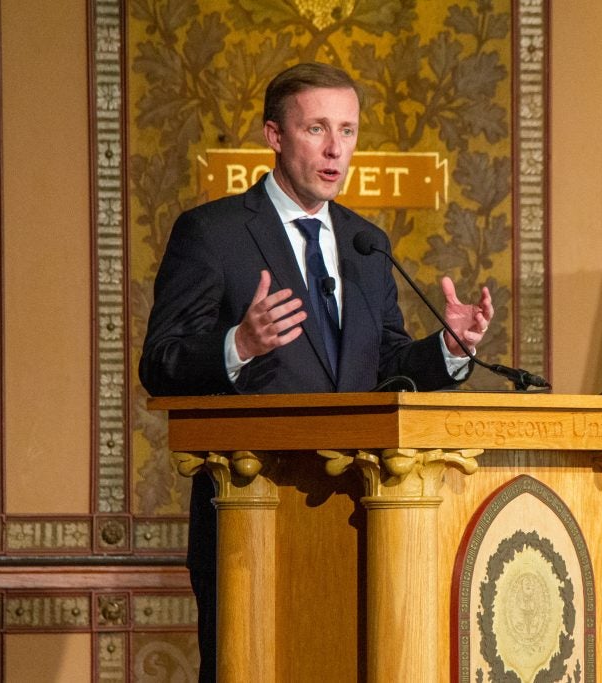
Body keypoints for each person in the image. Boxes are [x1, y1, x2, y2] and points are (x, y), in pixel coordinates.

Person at [139, 62, 493, 682]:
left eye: (349, 131)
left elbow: (384, 367)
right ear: (275, 136)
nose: (336, 149)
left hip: (363, 512)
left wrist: (448, 349)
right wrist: (237, 345)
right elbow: (160, 363)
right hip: (253, 510)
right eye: (318, 129)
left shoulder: (365, 241)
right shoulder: (213, 233)